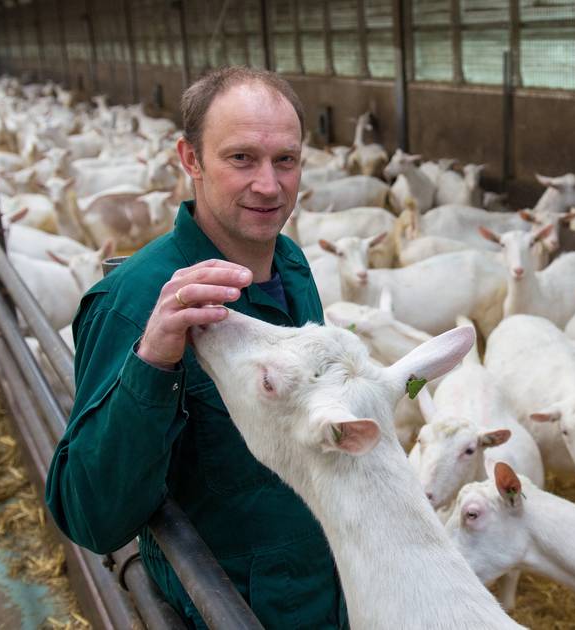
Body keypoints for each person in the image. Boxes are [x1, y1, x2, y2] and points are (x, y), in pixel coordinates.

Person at [45, 66, 347, 629]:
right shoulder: (133, 303)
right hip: (237, 607)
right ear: (190, 160)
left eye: (286, 159)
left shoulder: (291, 265)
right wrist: (152, 362)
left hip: (329, 587)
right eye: (241, 159)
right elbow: (90, 517)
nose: (269, 184)